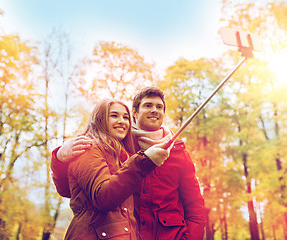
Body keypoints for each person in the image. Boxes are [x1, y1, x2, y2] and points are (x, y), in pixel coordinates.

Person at [51, 87, 206, 239]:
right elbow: (72, 191)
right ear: (135, 112)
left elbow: (195, 205)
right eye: (148, 105)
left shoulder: (178, 153)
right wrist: (59, 157)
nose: (154, 110)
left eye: (159, 107)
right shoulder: (117, 146)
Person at [58, 98, 171, 239]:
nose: (121, 121)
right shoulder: (88, 148)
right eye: (114, 115)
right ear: (100, 119)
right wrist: (144, 161)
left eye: (125, 117)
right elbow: (103, 197)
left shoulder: (121, 155)